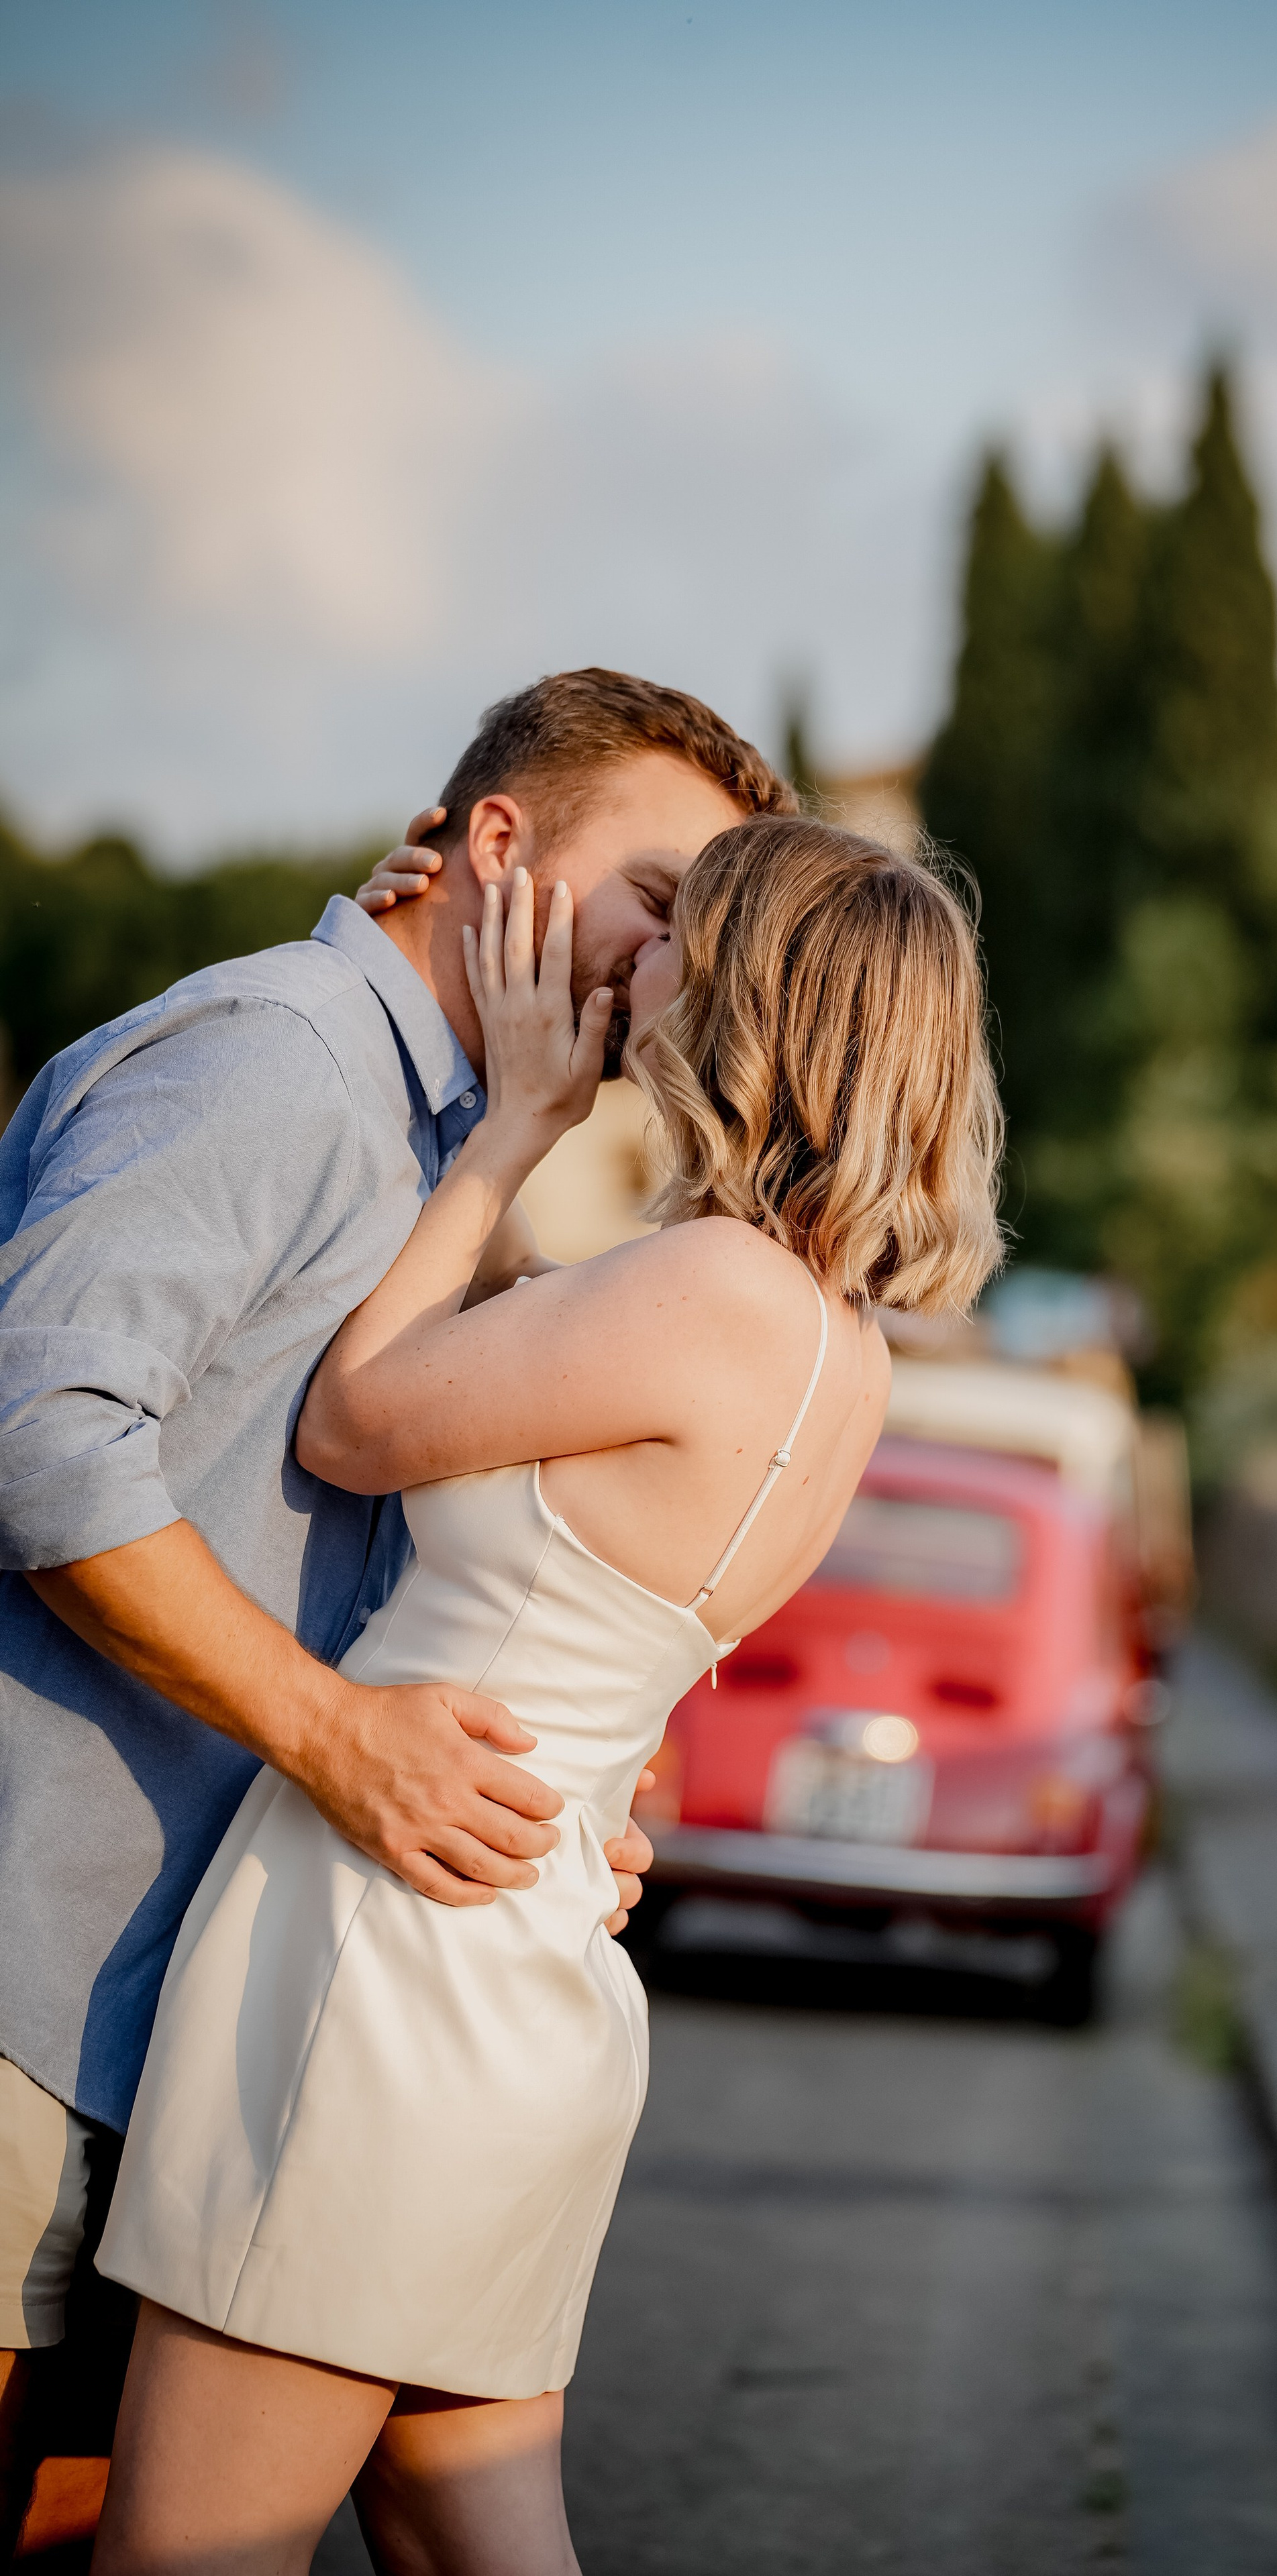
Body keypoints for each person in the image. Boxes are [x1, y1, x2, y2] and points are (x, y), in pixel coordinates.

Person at [89, 814, 1005, 2575]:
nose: (630, 954)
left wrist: (506, 1131)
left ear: (744, 997)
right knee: (473, 2533)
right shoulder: (840, 1341)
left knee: (181, 2557)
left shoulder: (705, 1288)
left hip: (392, 1959)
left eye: (675, 930)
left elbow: (353, 1421)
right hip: (523, 1962)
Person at [0, 669, 790, 2552]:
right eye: (663, 901)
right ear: (496, 849)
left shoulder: (448, 1133)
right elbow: (41, 1432)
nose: (685, 965)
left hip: (188, 2015)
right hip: (32, 1978)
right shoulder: (279, 1058)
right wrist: (339, 1736)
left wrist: (579, 1768)